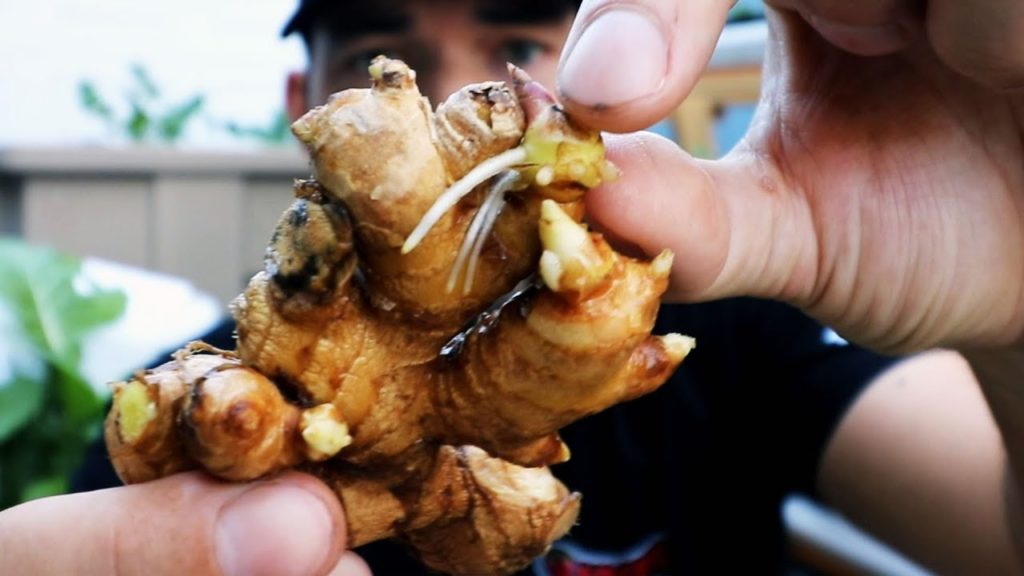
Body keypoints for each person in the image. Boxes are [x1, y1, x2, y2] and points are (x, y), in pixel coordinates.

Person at [1, 0, 1021, 574]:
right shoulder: (201, 418)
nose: (454, 98)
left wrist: (1013, 301)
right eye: (383, 55)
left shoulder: (730, 332)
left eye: (520, 47)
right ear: (304, 102)